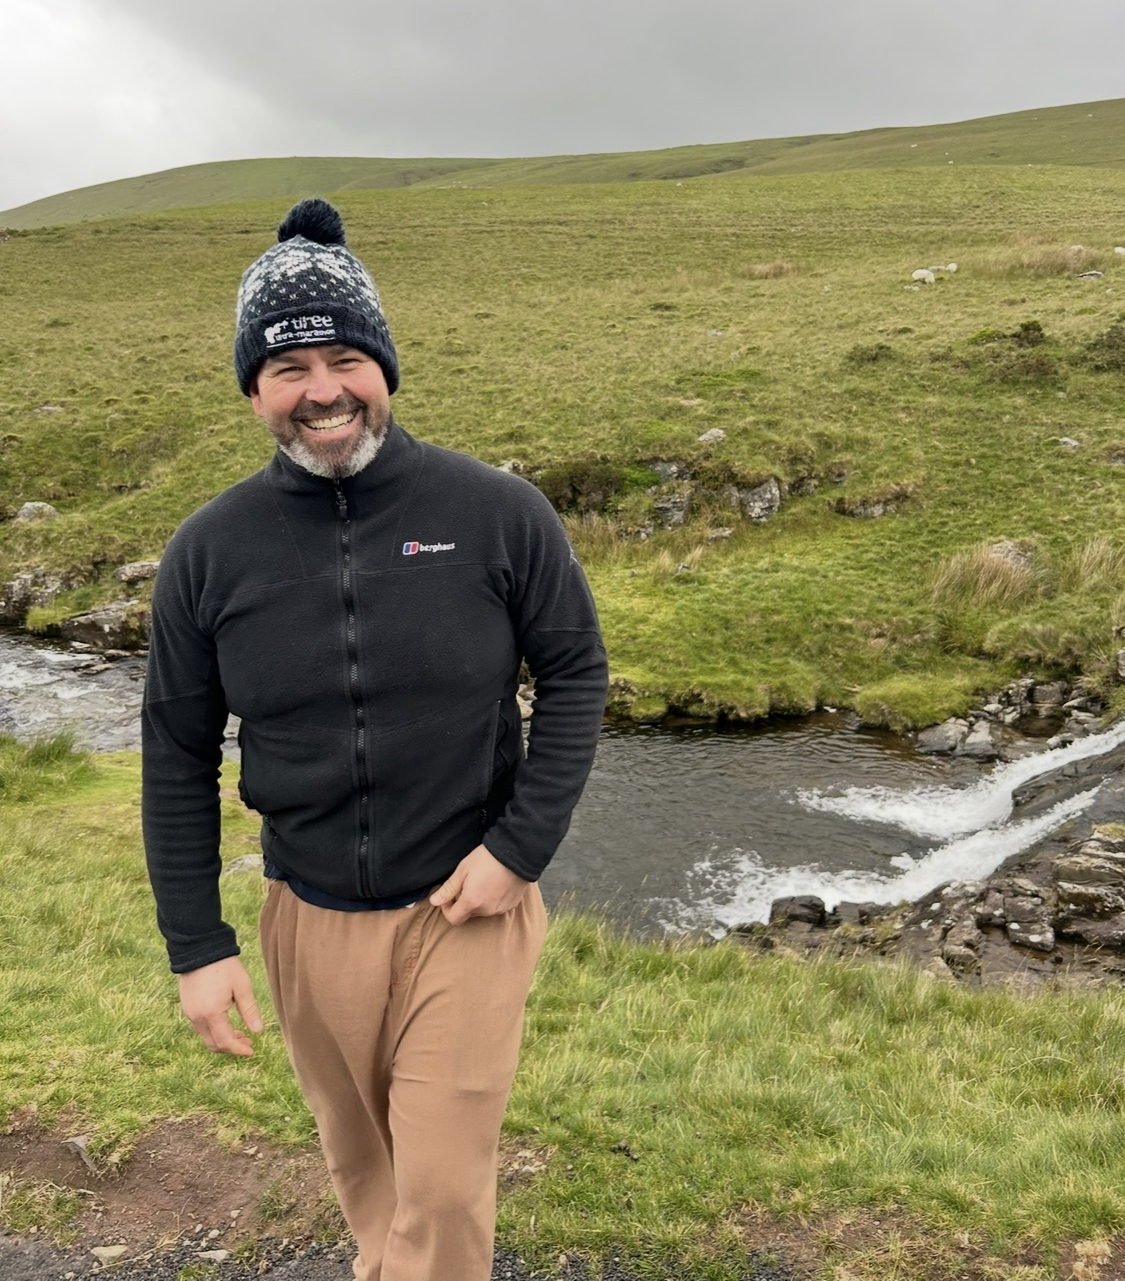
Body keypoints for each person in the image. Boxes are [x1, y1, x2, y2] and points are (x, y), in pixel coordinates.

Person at [142, 198, 608, 1281]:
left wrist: (519, 850)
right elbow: (176, 750)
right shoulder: (208, 553)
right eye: (288, 369)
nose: (323, 392)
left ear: (384, 367)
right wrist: (197, 945)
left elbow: (577, 672)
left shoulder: (498, 513)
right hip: (307, 921)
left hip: (467, 906)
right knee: (371, 1181)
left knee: (441, 1193)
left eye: (345, 358)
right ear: (255, 392)